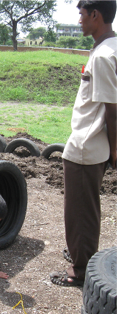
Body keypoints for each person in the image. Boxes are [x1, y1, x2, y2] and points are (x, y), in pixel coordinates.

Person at [50, 0, 117, 287]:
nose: (78, 20)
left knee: (79, 213)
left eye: (80, 14)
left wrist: (116, 150)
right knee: (86, 208)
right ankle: (81, 251)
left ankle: (80, 270)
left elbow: (113, 110)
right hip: (94, 145)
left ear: (95, 14)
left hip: (86, 148)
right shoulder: (109, 48)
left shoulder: (103, 56)